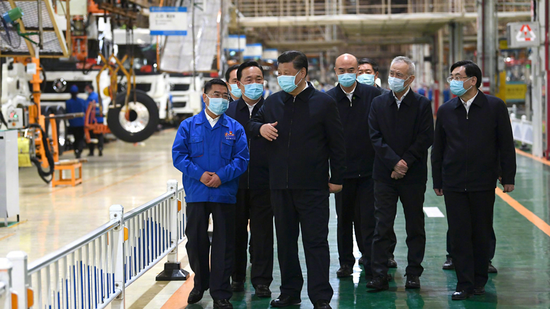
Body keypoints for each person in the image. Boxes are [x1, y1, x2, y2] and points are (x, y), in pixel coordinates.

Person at [247, 50, 346, 309]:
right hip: (280, 187)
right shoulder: (272, 102)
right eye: (279, 73)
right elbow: (251, 122)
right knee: (286, 244)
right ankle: (290, 292)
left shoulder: (323, 103)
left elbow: (337, 144)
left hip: (313, 187)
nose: (281, 78)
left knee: (316, 244)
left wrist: (336, 178)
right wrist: (260, 128)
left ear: (302, 74)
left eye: (287, 74)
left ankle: (321, 297)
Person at [431, 60, 516, 300]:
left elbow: (506, 144)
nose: (453, 81)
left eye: (458, 77)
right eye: (452, 77)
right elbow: (438, 149)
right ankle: (464, 283)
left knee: (481, 233)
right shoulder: (447, 110)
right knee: (458, 235)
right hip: (454, 183)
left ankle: (480, 280)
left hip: (483, 182)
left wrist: (508, 176)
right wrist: (438, 180)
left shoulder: (494, 107)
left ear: (473, 80)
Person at [172, 79, 249, 309]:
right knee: (195, 241)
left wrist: (221, 176)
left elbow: (242, 159)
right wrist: (200, 174)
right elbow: (179, 156)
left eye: (225, 96)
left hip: (224, 194)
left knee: (224, 244)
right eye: (216, 94)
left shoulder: (235, 128)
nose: (222, 99)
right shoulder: (188, 125)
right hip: (197, 192)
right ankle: (201, 282)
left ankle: (220, 292)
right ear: (205, 97)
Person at [368, 56, 433, 291]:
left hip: (413, 176)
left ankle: (413, 273)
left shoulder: (422, 105)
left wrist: (405, 162)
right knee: (382, 225)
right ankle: (379, 273)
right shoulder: (378, 103)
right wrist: (394, 163)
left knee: (415, 225)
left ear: (410, 79)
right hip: (384, 175)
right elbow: (375, 137)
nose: (393, 78)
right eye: (392, 73)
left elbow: (425, 137)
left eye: (399, 75)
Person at [326, 53, 381, 279]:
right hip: (341, 172)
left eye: (351, 70)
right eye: (342, 70)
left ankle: (369, 260)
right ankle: (346, 262)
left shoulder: (374, 96)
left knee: (368, 220)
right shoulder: (328, 100)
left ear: (358, 70)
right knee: (343, 220)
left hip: (370, 171)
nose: (346, 74)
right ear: (335, 72)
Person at [225, 60, 273, 298]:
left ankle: (262, 280)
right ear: (239, 84)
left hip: (265, 183)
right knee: (235, 232)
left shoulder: (275, 108)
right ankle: (236, 276)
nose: (254, 84)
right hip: (235, 183)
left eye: (258, 80)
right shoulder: (229, 112)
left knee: (263, 234)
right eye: (248, 80)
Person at [65, 85, 87, 159]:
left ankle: (76, 150)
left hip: (73, 124)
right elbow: (85, 110)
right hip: (81, 123)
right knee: (80, 137)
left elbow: (67, 112)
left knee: (75, 138)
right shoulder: (82, 101)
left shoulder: (68, 102)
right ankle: (79, 150)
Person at [85, 84, 104, 156]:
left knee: (92, 136)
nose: (86, 91)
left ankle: (91, 151)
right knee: (100, 135)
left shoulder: (91, 98)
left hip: (92, 120)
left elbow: (87, 109)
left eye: (87, 89)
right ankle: (100, 149)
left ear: (90, 89)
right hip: (100, 119)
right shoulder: (98, 96)